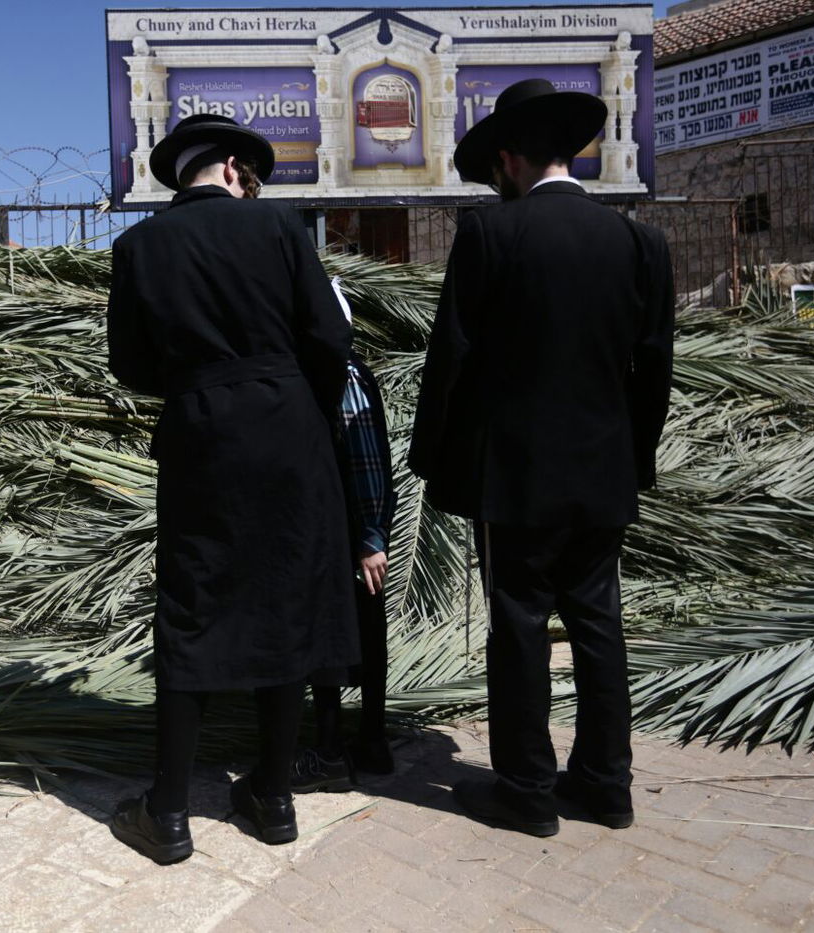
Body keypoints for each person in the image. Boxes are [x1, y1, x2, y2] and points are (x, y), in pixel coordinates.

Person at [409, 78, 675, 837]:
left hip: (515, 478)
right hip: (603, 473)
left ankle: (526, 789)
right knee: (599, 623)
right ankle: (605, 784)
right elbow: (654, 366)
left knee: (519, 625)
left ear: (508, 159)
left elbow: (450, 357)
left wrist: (434, 459)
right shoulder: (639, 242)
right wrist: (636, 458)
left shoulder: (490, 235)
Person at [106, 113, 359, 864]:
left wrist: (197, 384)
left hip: (200, 439)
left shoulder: (137, 246)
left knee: (192, 606)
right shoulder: (280, 231)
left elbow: (130, 364)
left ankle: (170, 811)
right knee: (286, 595)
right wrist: (289, 395)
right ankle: (273, 798)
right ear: (224, 164)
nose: (250, 184)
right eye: (246, 173)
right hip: (290, 434)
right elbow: (331, 338)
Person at [293, 323, 398, 793]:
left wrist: (372, 538)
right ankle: (360, 741)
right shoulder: (337, 371)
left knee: (352, 634)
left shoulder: (344, 375)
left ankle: (343, 746)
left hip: (347, 534)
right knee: (353, 633)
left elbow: (366, 458)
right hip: (340, 530)